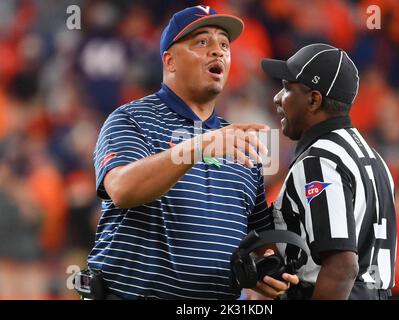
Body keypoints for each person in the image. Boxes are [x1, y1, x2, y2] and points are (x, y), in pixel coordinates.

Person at [85, 5, 273, 300]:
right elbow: (121, 188)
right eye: (202, 42)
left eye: (224, 44)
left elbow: (260, 238)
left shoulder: (239, 141)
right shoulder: (130, 119)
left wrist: (265, 268)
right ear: (170, 61)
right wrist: (198, 147)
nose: (218, 51)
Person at [253, 43, 397, 300]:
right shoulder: (373, 158)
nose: (277, 98)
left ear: (314, 99)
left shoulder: (320, 159)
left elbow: (342, 267)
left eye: (287, 88)